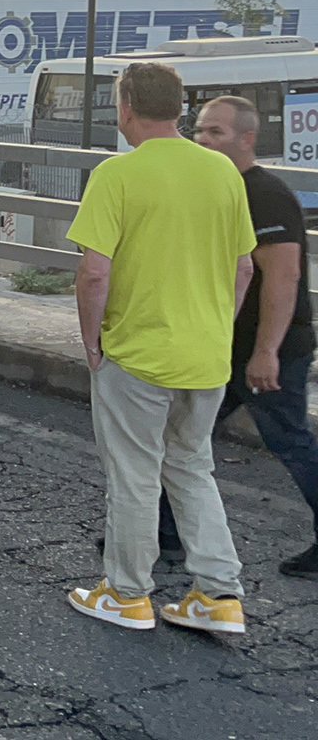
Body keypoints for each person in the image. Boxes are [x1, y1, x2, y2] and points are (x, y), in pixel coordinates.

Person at [65, 62, 255, 634]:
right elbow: (245, 267)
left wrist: (91, 341)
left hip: (139, 354)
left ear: (125, 107)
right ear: (180, 110)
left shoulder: (118, 174)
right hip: (206, 356)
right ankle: (219, 595)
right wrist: (216, 328)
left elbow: (94, 274)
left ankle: (127, 594)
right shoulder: (222, 172)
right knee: (193, 469)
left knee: (134, 476)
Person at [159, 95, 318, 579]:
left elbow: (283, 276)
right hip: (223, 345)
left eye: (216, 133)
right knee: (184, 436)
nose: (202, 139)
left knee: (289, 441)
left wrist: (266, 352)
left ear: (247, 139)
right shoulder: (221, 185)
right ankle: (162, 534)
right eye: (199, 130)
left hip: (268, 348)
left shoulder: (263, 193)